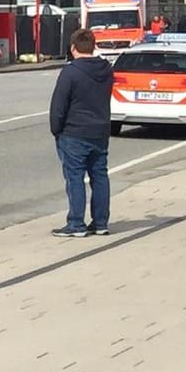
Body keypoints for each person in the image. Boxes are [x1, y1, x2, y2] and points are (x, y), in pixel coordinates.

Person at [48, 28, 113, 238]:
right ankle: (101, 222)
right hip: (100, 130)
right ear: (93, 46)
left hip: (74, 131)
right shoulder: (106, 69)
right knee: (100, 176)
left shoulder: (70, 72)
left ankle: (76, 223)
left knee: (75, 178)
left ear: (73, 48)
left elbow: (59, 104)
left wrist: (56, 129)